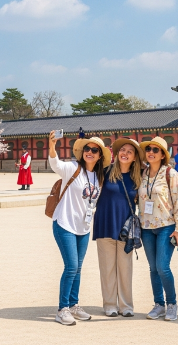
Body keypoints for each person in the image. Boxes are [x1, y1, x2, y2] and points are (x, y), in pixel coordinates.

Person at [48, 132, 110, 325]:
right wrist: (52, 145)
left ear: (100, 155)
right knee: (71, 266)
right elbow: (55, 164)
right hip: (64, 223)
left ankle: (74, 305)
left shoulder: (99, 176)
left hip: (83, 227)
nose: (89, 152)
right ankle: (62, 308)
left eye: (94, 150)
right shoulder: (72, 168)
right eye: (87, 149)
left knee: (78, 268)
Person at [138, 136, 178, 322]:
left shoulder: (170, 173)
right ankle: (159, 304)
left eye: (155, 150)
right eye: (148, 149)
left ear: (163, 154)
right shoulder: (142, 173)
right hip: (146, 227)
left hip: (166, 226)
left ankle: (172, 303)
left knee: (162, 267)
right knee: (152, 268)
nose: (151, 152)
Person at [93, 138, 142, 318]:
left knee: (125, 268)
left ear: (135, 157)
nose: (125, 153)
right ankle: (110, 304)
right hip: (105, 224)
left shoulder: (139, 177)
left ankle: (126, 305)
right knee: (107, 268)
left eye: (130, 151)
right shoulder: (105, 172)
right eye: (123, 150)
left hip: (126, 228)